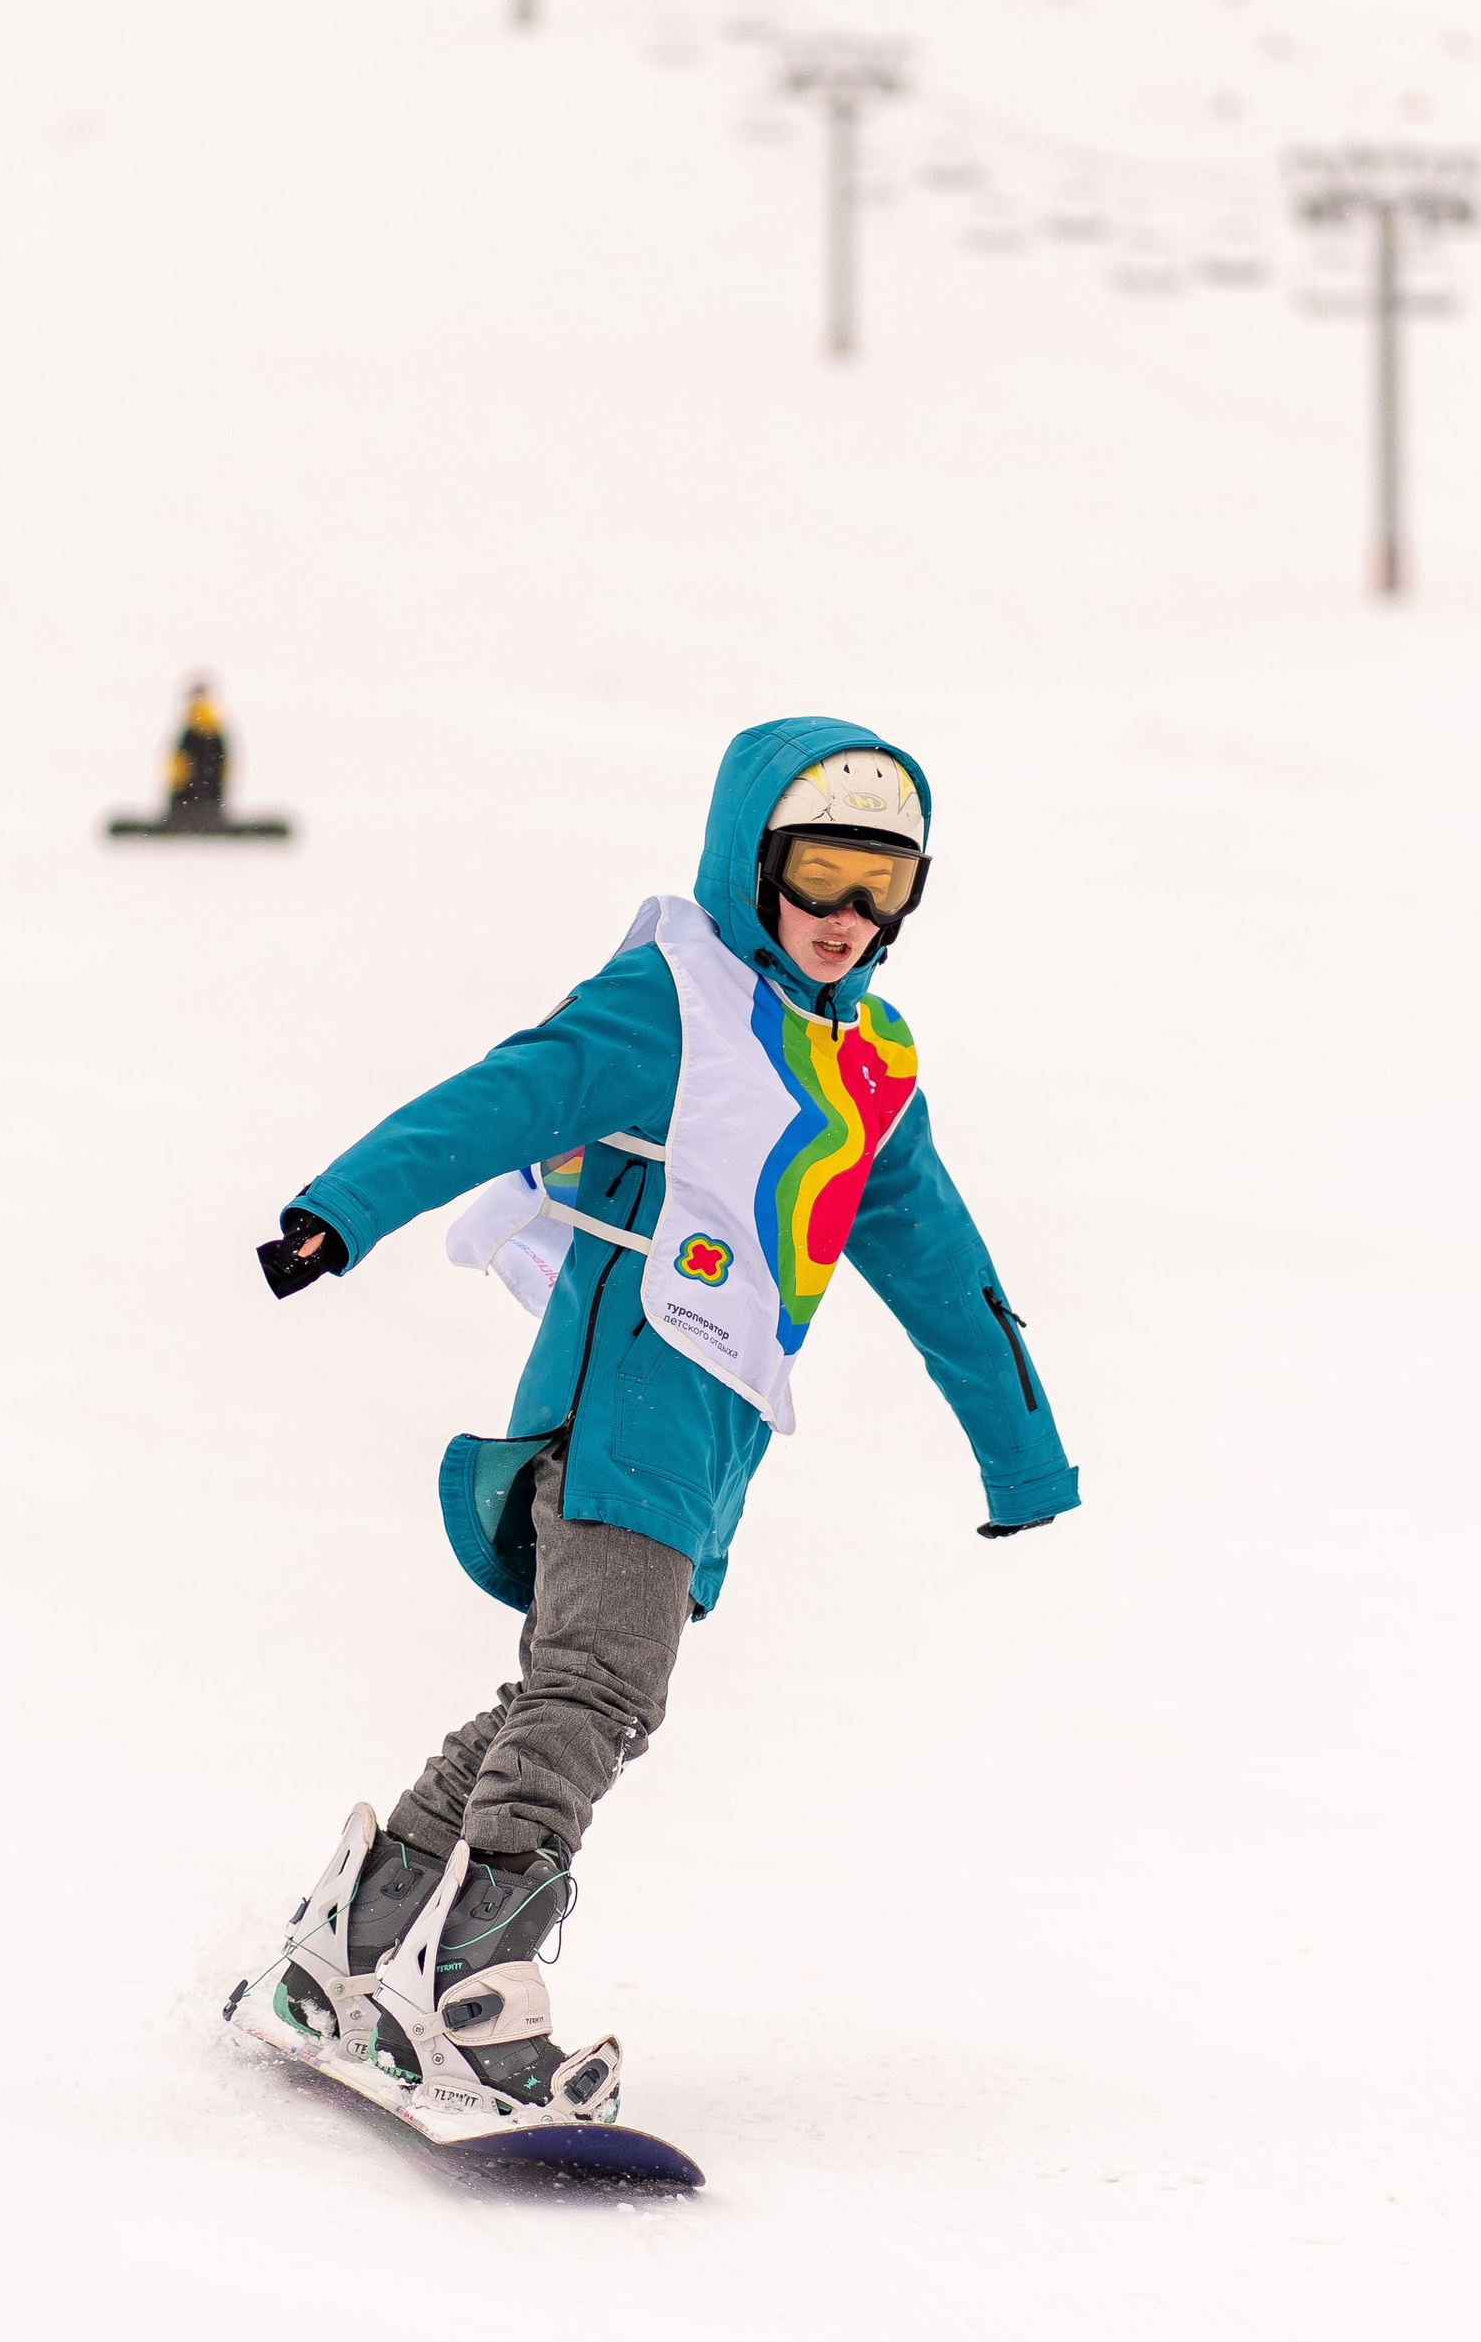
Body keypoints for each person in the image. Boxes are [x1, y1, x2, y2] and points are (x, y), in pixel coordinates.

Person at [227, 718, 1079, 2140]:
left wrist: (1020, 1452)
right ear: (754, 866)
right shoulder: (674, 1000)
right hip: (628, 1387)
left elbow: (941, 1260)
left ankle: (362, 1941)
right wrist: (345, 1209)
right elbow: (509, 1092)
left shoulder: (867, 1061)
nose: (846, 917)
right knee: (604, 1688)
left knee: (565, 1685)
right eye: (818, 875)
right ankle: (474, 1981)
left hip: (711, 1423)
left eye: (884, 883)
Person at [164, 677, 228, 824]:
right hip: (206, 800)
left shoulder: (198, 729)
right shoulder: (209, 728)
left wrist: (176, 792)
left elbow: (179, 765)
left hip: (191, 800)